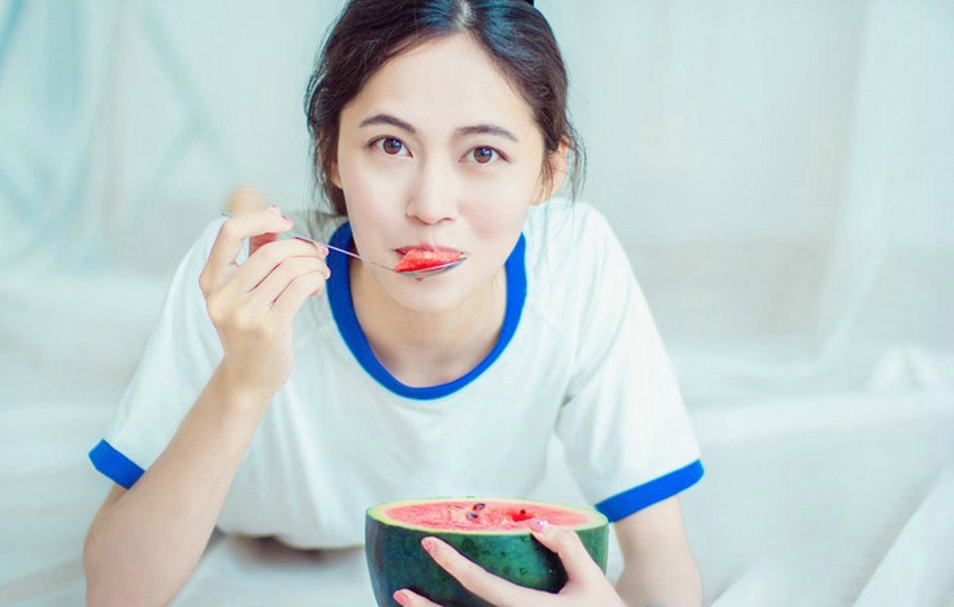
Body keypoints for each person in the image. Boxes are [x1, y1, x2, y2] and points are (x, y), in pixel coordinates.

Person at [83, 1, 705, 606]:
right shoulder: (239, 279)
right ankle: (247, 196)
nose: (430, 206)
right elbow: (115, 593)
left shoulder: (576, 262)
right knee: (246, 211)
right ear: (330, 152)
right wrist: (242, 382)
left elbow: (663, 567)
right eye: (389, 145)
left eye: (483, 153)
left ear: (549, 170)